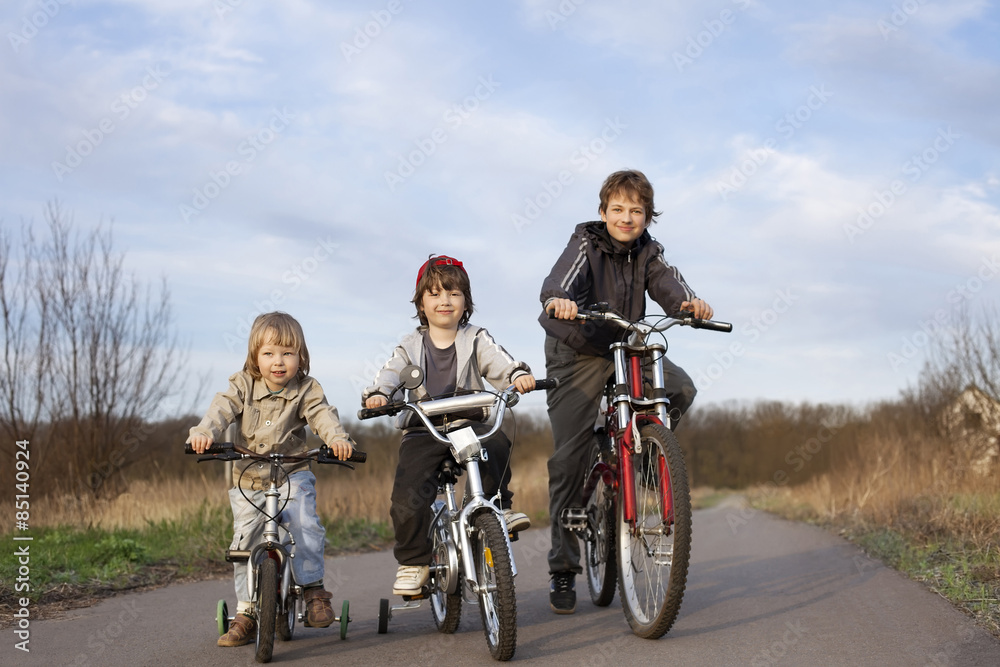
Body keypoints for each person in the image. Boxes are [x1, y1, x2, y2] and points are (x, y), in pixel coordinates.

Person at [539, 169, 714, 614]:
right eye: (617, 209)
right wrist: (559, 299)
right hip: (577, 348)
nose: (626, 217)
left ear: (647, 217)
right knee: (568, 459)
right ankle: (564, 566)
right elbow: (561, 279)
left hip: (625, 345)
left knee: (680, 388)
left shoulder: (649, 252)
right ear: (603, 213)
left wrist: (688, 304)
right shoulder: (585, 242)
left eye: (636, 211)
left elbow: (669, 283)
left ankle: (650, 458)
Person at [363, 255, 536, 596]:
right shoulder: (409, 346)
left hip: (468, 420)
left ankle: (497, 508)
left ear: (466, 302)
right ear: (421, 304)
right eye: (435, 293)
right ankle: (414, 561)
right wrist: (380, 395)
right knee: (408, 494)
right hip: (424, 428)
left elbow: (500, 363)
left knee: (496, 444)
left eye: (454, 293)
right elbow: (390, 375)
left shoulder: (476, 338)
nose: (445, 300)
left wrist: (517, 375)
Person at [188, 312, 355, 647]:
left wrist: (337, 439)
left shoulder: (306, 388)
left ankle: (313, 589)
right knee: (243, 544)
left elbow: (322, 414)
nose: (278, 361)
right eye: (269, 353)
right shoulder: (242, 384)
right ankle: (247, 612)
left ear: (300, 357)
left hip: (293, 474)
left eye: (287, 353)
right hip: (249, 480)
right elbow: (221, 408)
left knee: (305, 523)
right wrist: (205, 432)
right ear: (255, 357)